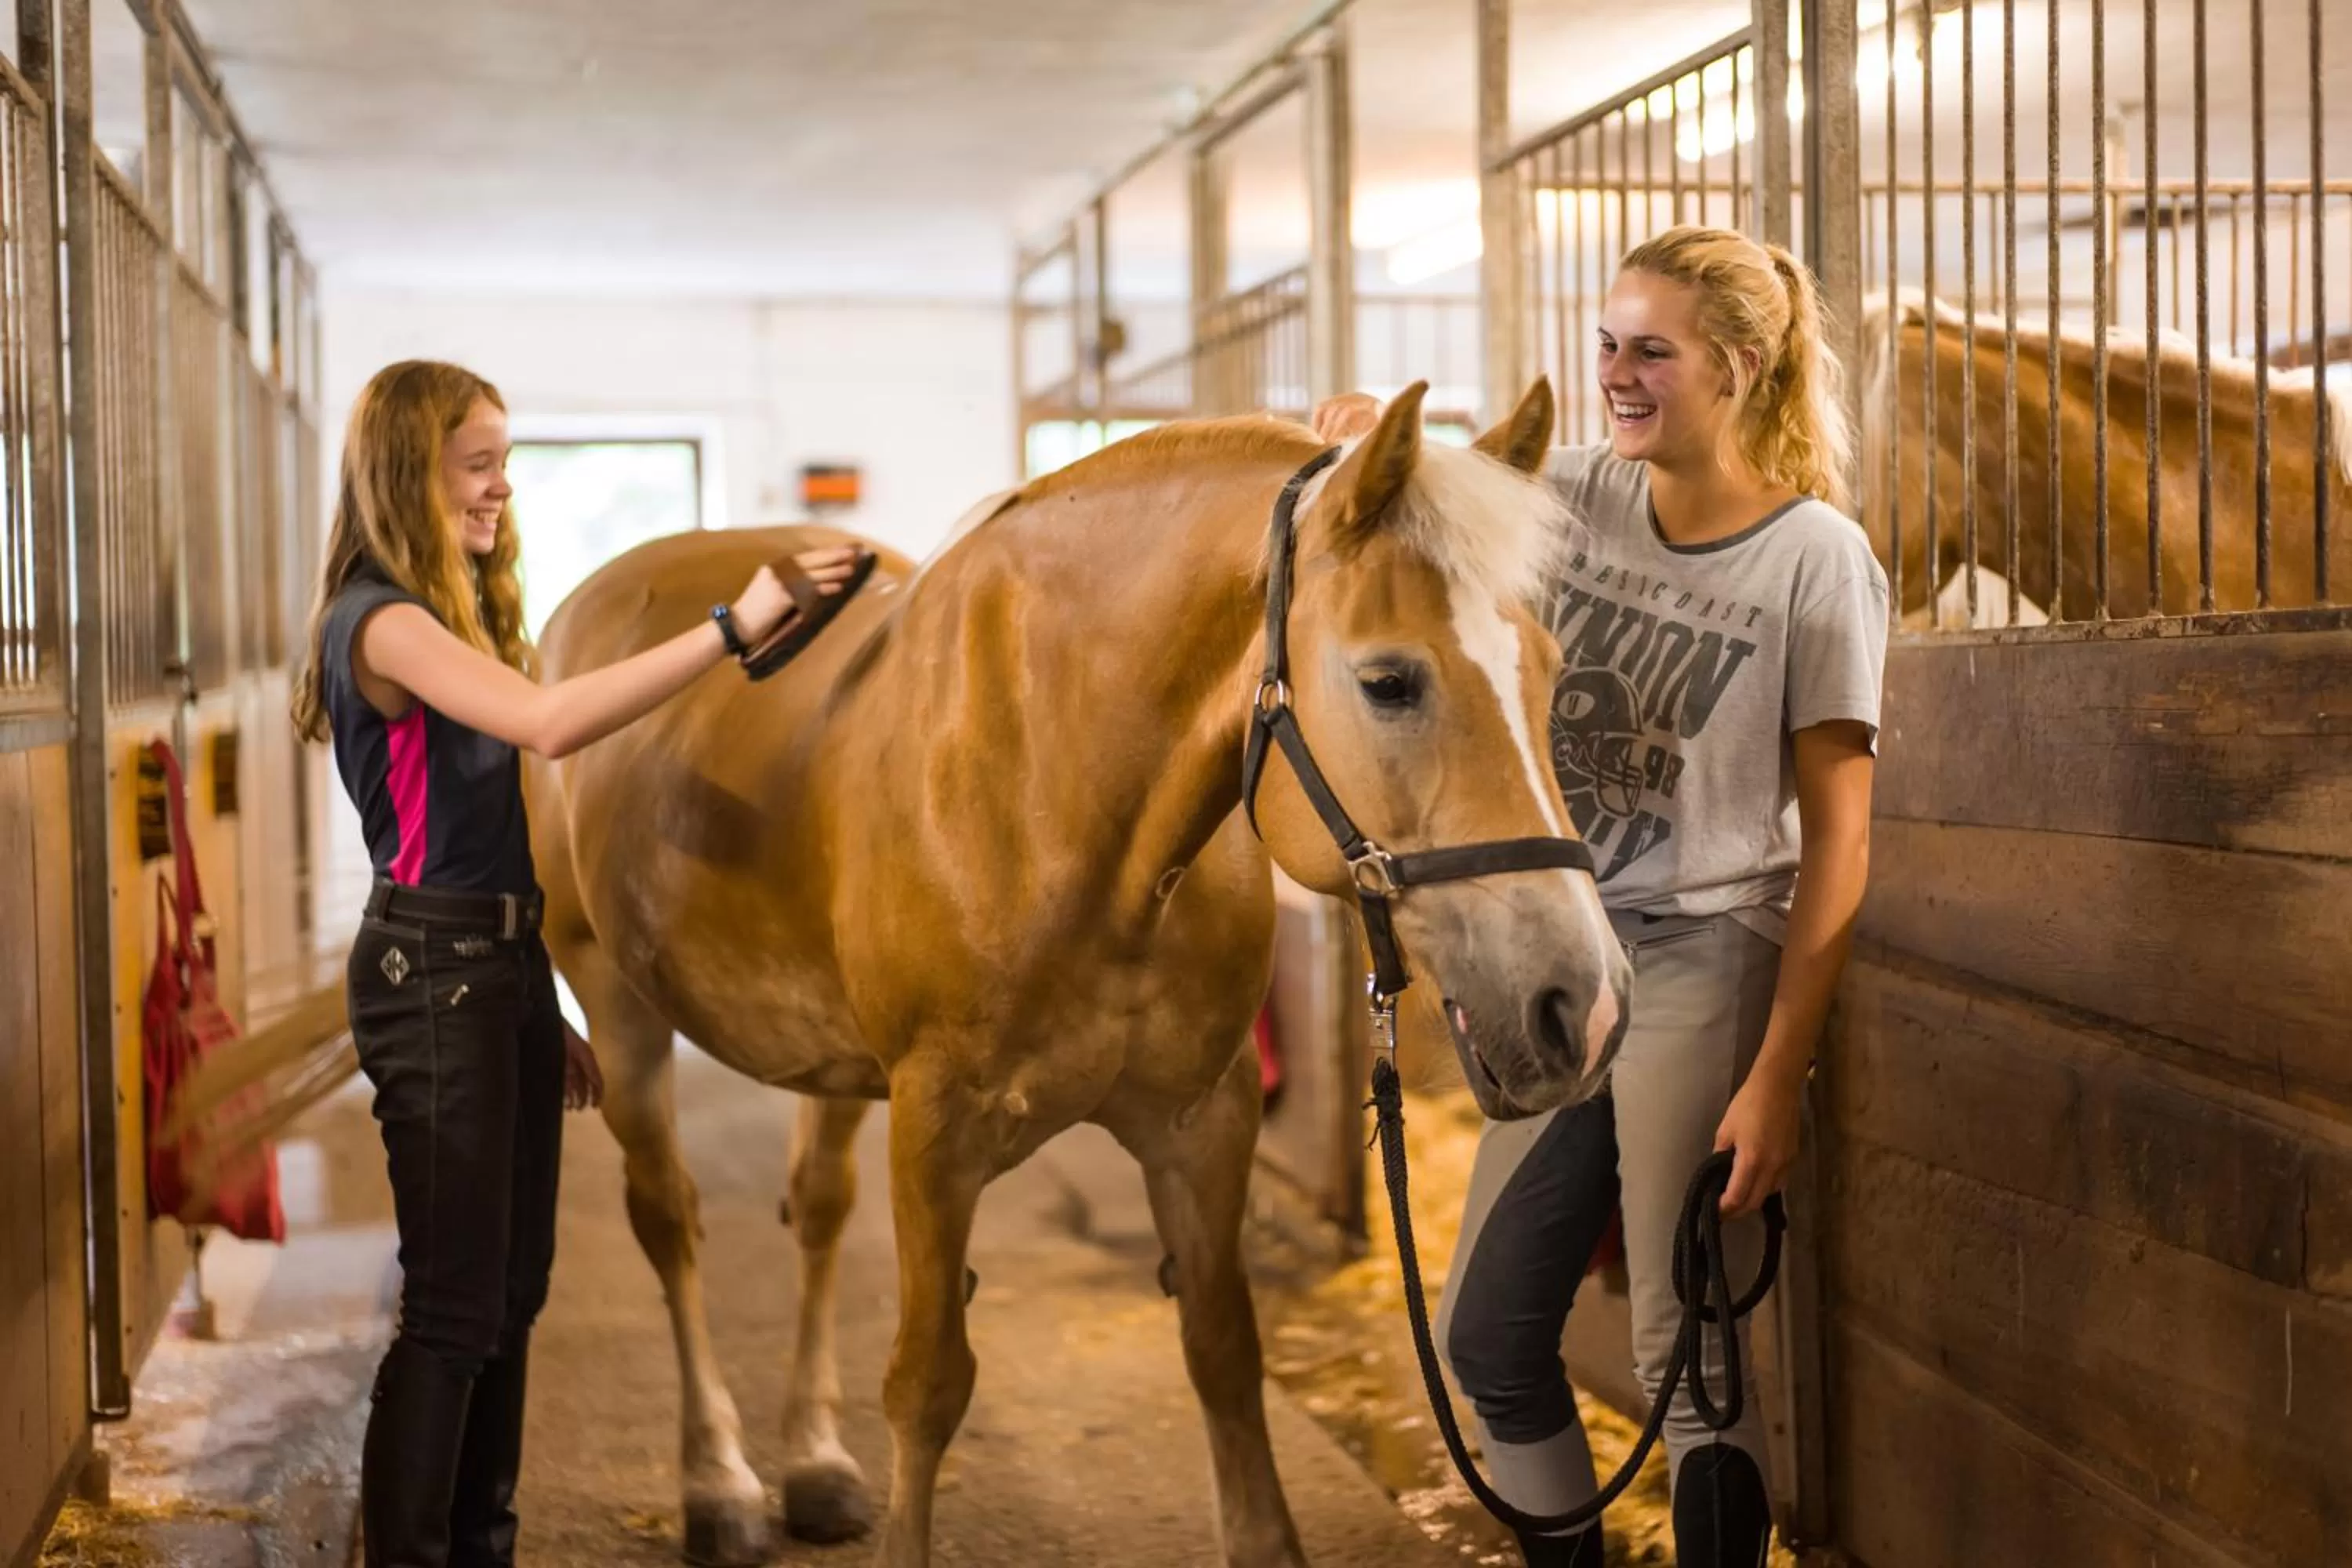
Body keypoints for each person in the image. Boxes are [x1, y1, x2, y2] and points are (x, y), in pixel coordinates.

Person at [1315, 225, 1886, 1567]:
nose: (1619, 376)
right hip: (1576, 942)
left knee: (1676, 1357)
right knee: (1493, 1333)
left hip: (1703, 948)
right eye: (1609, 347)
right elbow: (1425, 483)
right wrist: (1354, 426)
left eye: (1654, 352)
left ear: (1738, 367)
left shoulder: (1815, 563)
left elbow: (1842, 845)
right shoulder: (1571, 499)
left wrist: (1777, 1075)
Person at [289, 360, 867, 1568]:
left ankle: (480, 1548)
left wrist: (535, 995)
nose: (503, 487)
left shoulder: (443, 616)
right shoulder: (382, 619)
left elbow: (501, 831)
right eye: (479, 462)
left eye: (505, 460)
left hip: (489, 970)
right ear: (413, 470)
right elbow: (554, 727)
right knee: (451, 1316)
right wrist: (729, 628)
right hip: (431, 974)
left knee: (510, 1302)